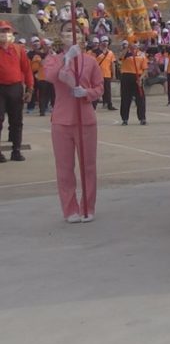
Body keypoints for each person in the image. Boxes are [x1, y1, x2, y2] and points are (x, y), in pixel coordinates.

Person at [44, 22, 103, 222]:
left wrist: (86, 93)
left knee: (88, 166)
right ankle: (70, 209)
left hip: (85, 119)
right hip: (61, 120)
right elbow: (51, 77)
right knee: (64, 168)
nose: (72, 34)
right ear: (61, 35)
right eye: (68, 30)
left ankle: (88, 207)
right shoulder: (53, 59)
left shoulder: (90, 61)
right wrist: (66, 59)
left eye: (76, 31)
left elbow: (100, 88)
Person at [0, 21, 33, 162]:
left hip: (15, 88)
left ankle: (16, 150)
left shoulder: (19, 50)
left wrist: (30, 89)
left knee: (16, 121)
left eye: (8, 32)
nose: (5, 35)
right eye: (2, 31)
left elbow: (27, 70)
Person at [119, 42, 148, 125]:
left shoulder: (142, 55)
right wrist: (127, 48)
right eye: (133, 43)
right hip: (126, 76)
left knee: (140, 99)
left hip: (137, 77)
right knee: (125, 98)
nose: (134, 45)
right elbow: (120, 57)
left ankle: (142, 118)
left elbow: (145, 69)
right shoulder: (126, 53)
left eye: (136, 43)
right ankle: (125, 119)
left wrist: (141, 78)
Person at [88, 36, 116, 111]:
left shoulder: (110, 53)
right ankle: (94, 105)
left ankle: (109, 104)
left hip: (107, 74)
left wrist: (114, 74)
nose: (105, 43)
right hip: (97, 74)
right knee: (97, 90)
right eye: (104, 41)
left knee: (107, 91)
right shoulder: (95, 52)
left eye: (106, 41)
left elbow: (112, 64)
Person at [31, 39, 54, 117]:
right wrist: (39, 62)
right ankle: (42, 111)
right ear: (43, 45)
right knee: (42, 95)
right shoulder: (37, 55)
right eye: (46, 45)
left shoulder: (52, 54)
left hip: (51, 78)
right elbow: (34, 68)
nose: (48, 47)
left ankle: (54, 109)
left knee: (52, 95)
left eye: (48, 45)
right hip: (42, 78)